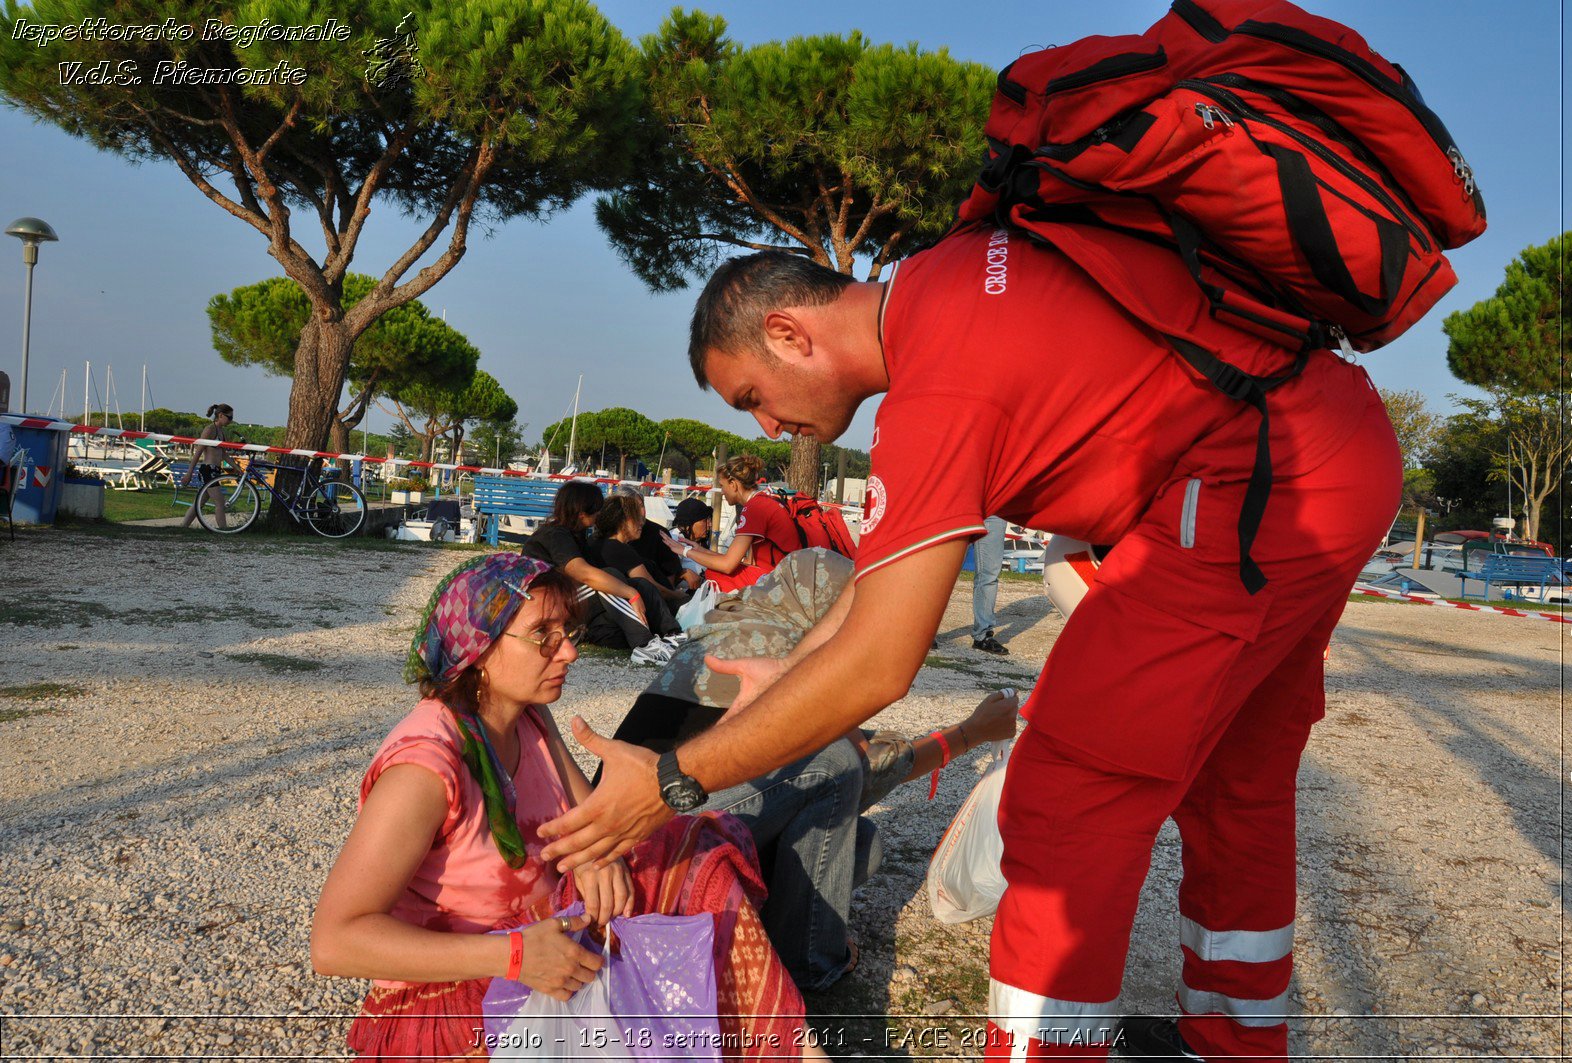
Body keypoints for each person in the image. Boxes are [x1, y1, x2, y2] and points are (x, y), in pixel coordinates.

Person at [536, 229, 1401, 1061]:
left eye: (751, 397)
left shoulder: (935, 389)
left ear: (789, 333)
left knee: (1069, 798)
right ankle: (1233, 1041)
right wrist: (790, 673)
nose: (767, 428)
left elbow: (880, 661)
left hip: (1250, 484)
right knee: (1236, 784)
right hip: (1327, 447)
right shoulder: (948, 282)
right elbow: (883, 577)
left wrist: (676, 781)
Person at [310, 552, 826, 1061]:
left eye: (568, 633)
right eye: (543, 636)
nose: (569, 654)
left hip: (541, 935)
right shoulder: (423, 771)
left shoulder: (527, 718)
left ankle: (784, 1046)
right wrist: (512, 956)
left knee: (681, 846)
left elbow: (589, 823)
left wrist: (596, 857)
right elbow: (335, 941)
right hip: (452, 992)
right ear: (477, 647)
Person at [603, 548, 1021, 989]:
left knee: (863, 844)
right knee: (838, 774)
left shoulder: (735, 629)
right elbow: (861, 769)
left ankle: (755, 927)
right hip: (656, 854)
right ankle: (808, 963)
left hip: (648, 839)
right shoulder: (783, 654)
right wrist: (969, 733)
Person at [519, 481, 681, 661]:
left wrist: (633, 589)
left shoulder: (576, 535)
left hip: (572, 599)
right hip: (550, 602)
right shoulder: (555, 534)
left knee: (638, 584)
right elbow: (583, 573)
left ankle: (672, 634)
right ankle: (644, 645)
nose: (599, 513)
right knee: (609, 578)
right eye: (596, 509)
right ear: (581, 512)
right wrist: (631, 593)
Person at [669, 455, 800, 592]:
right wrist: (701, 550)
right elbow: (742, 562)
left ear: (733, 484)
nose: (722, 491)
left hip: (778, 582)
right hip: (783, 576)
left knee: (714, 575)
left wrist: (684, 551)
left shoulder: (754, 509)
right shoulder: (763, 501)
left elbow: (728, 565)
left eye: (722, 485)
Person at [588, 493, 688, 609]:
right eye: (636, 518)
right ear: (622, 521)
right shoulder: (620, 550)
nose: (641, 522)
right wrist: (678, 595)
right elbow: (651, 587)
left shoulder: (594, 541)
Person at [612, 483, 686, 590]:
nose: (641, 512)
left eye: (642, 505)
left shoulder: (659, 534)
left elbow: (669, 577)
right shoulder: (608, 538)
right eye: (635, 507)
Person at [179, 403, 240, 530]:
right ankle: (223, 529)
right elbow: (198, 452)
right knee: (219, 502)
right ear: (220, 415)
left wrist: (236, 467)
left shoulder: (221, 432)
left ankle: (183, 527)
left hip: (215, 470)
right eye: (229, 417)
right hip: (208, 470)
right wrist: (189, 473)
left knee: (199, 503)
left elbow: (223, 454)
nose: (231, 420)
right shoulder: (210, 429)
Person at [971, 516, 1009, 655]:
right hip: (959, 503)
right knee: (945, 573)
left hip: (994, 510)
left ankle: (983, 635)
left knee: (990, 574)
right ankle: (927, 631)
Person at [669, 495, 714, 590]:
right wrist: (683, 574)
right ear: (689, 524)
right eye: (704, 520)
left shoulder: (700, 541)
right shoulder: (673, 540)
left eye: (709, 520)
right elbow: (663, 580)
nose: (709, 524)